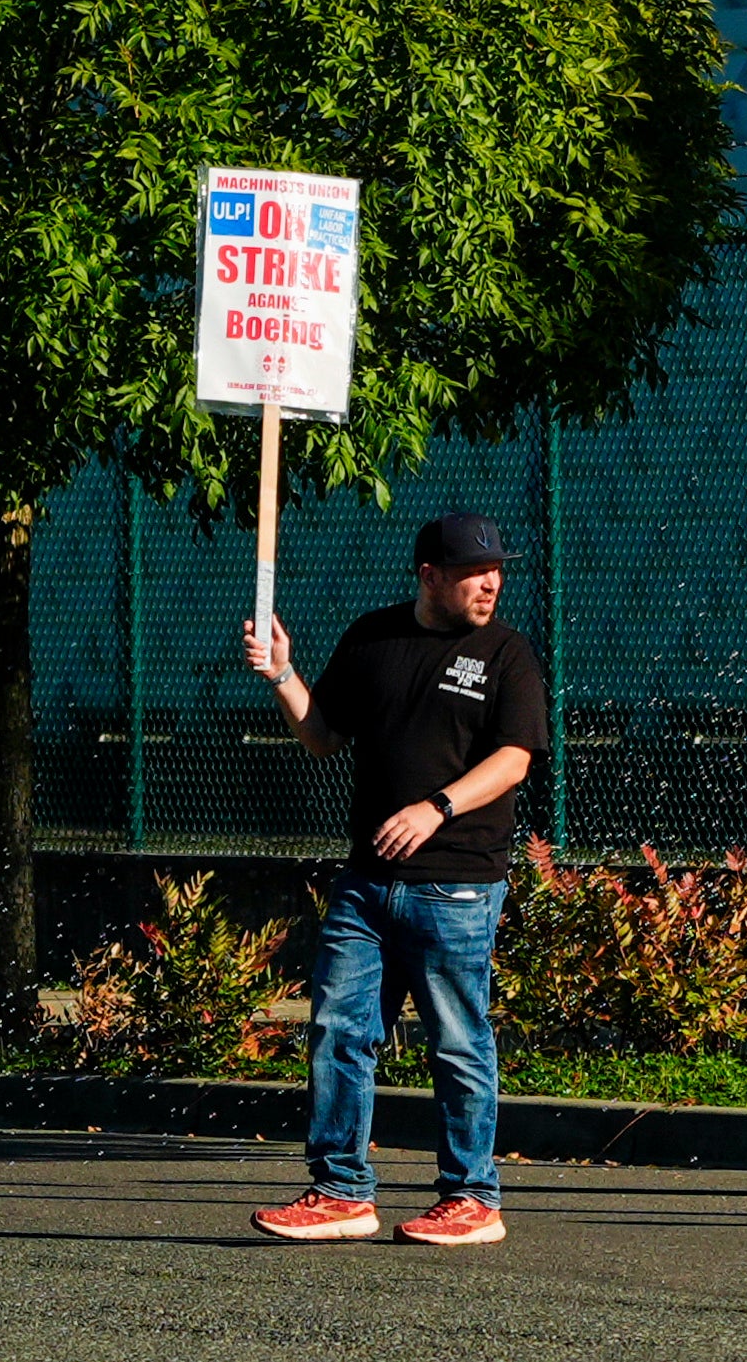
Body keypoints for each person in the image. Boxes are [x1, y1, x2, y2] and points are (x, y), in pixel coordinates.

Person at [242, 513, 546, 1247]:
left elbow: (515, 758)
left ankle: (473, 1196)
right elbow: (322, 735)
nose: (492, 581)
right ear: (430, 575)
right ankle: (341, 1190)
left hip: (459, 886)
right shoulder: (373, 638)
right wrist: (282, 674)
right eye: (476, 571)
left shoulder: (506, 654)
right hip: (366, 883)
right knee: (338, 1029)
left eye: (497, 569)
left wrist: (436, 806)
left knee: (456, 1040)